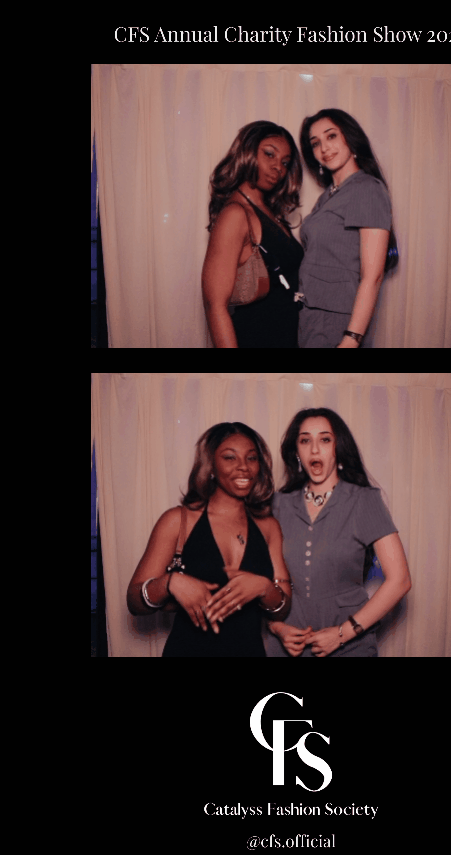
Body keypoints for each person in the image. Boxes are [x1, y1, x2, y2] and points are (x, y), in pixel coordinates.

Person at [127, 422, 292, 657]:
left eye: (251, 458)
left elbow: (281, 610)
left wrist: (264, 587)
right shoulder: (178, 520)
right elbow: (134, 601)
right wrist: (170, 582)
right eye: (230, 458)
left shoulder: (268, 526)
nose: (243, 467)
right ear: (211, 466)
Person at [266, 408, 411, 657]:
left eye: (325, 439)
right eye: (304, 440)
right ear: (296, 452)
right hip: (286, 645)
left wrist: (342, 633)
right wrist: (277, 627)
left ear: (338, 448)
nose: (314, 449)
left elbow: (400, 580)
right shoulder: (277, 505)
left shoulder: (365, 501)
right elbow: (261, 580)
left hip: (351, 645)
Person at [297, 109, 398, 348]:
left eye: (331, 136)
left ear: (350, 138)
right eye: (315, 143)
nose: (324, 148)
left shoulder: (367, 189)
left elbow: (372, 276)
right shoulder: (327, 197)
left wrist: (351, 339)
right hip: (309, 317)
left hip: (338, 323)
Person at [202, 121, 304, 348]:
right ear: (247, 151)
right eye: (269, 154)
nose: (278, 167)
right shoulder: (235, 214)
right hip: (256, 340)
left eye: (285, 162)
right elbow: (214, 305)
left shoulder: (269, 212)